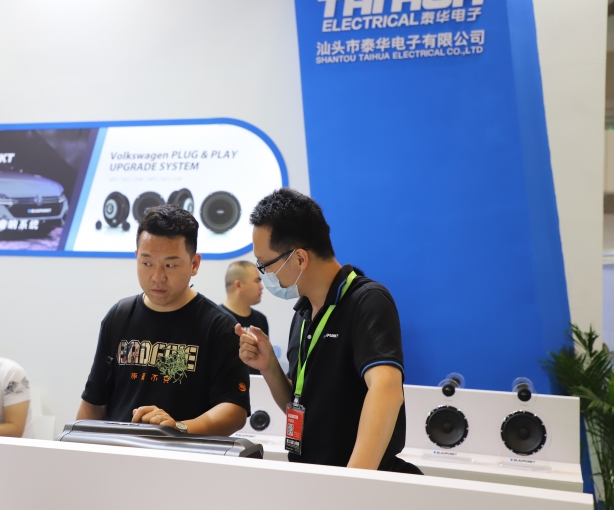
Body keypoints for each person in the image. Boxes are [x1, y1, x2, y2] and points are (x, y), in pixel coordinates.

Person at [236, 188, 419, 473]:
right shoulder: (303, 312)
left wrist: (351, 482)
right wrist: (269, 366)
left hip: (357, 481)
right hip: (313, 475)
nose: (265, 274)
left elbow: (387, 388)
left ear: (299, 259)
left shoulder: (367, 301)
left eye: (265, 265)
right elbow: (298, 405)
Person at [77, 204, 250, 436]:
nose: (157, 277)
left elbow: (234, 410)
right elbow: (93, 403)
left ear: (194, 264)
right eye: (147, 263)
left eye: (170, 265)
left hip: (184, 455)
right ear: (136, 257)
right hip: (119, 453)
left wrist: (178, 428)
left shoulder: (219, 326)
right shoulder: (119, 316)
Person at [220, 261, 269, 375]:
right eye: (257, 281)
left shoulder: (261, 319)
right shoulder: (217, 320)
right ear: (238, 285)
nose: (261, 287)